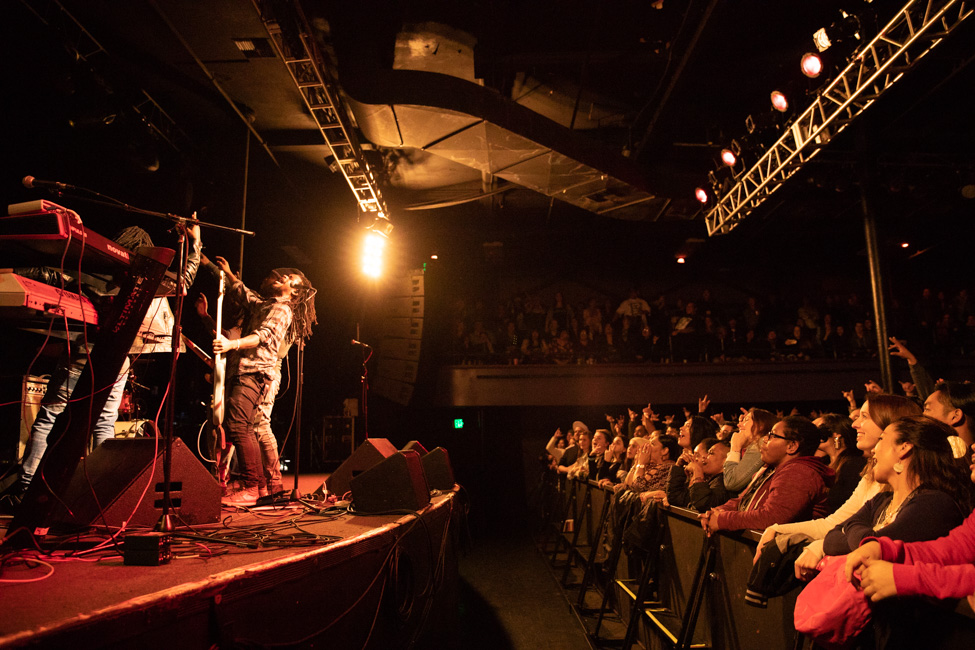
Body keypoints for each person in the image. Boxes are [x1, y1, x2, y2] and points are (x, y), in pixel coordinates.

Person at [14, 222, 202, 498]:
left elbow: (50, 275)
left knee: (51, 416)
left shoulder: (94, 268)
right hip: (118, 358)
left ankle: (27, 487)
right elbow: (183, 281)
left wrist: (13, 274)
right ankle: (101, 493)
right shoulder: (149, 279)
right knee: (104, 422)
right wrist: (195, 245)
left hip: (83, 351)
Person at [210, 256, 316, 507]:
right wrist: (213, 265)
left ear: (296, 292)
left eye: (290, 279)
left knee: (254, 425)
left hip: (260, 371)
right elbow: (244, 293)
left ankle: (263, 484)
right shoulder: (267, 305)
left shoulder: (282, 309)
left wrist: (232, 343)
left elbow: (265, 336)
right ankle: (261, 485)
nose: (282, 277)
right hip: (251, 369)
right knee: (249, 425)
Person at [819, 416, 971, 560]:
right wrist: (863, 534)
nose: (873, 450)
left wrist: (852, 526)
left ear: (903, 448)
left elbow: (874, 546)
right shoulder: (881, 500)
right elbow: (831, 541)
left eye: (881, 439)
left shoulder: (934, 503)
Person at [701, 416, 834, 533]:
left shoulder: (799, 472)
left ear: (792, 446)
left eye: (772, 436)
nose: (765, 439)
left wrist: (723, 519)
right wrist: (719, 511)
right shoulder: (772, 468)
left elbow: (772, 518)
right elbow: (744, 500)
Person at [723, 408, 778, 491]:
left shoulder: (760, 445)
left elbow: (732, 482)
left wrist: (735, 449)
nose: (739, 425)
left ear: (760, 426)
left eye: (746, 420)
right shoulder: (755, 446)